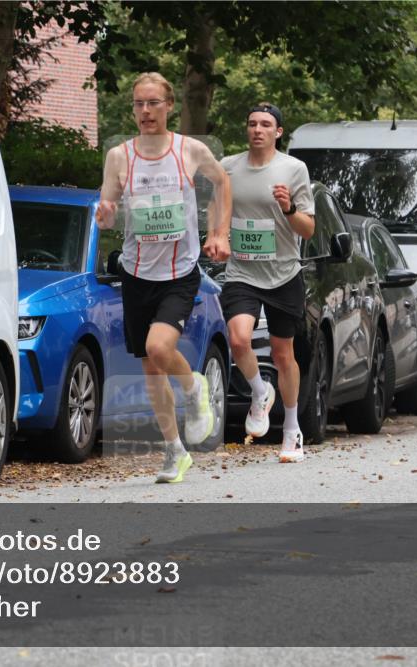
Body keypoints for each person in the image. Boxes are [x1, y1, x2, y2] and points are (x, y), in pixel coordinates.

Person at [96, 72, 231, 483]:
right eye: (139, 103)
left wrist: (219, 233)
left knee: (159, 347)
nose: (146, 110)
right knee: (151, 368)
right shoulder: (119, 156)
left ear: (169, 105)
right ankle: (174, 451)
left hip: (179, 272)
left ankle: (194, 387)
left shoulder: (189, 150)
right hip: (136, 273)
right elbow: (108, 209)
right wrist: (106, 213)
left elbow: (223, 182)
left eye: (153, 102)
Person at [218, 102, 315, 462]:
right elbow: (217, 209)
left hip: (283, 272)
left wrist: (289, 208)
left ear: (278, 132)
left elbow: (308, 229)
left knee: (282, 353)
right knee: (238, 338)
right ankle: (260, 392)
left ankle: (291, 428)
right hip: (242, 271)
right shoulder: (228, 166)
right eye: (252, 123)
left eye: (265, 124)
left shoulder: (293, 169)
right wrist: (218, 235)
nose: (257, 129)